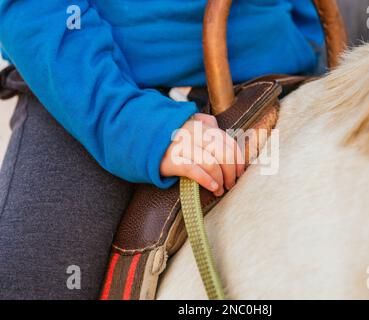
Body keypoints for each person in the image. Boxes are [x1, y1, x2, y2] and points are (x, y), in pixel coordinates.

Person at [0, 1, 325, 299]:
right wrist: (132, 124)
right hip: (89, 85)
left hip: (277, 75)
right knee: (36, 277)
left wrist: (305, 39)